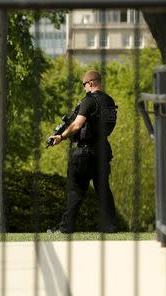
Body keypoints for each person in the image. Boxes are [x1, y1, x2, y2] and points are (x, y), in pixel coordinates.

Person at [49, 70, 118, 233]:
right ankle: (111, 226)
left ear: (91, 83)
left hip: (85, 152)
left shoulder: (88, 101)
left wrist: (61, 136)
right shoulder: (109, 101)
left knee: (76, 190)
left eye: (84, 85)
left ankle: (66, 228)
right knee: (103, 190)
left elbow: (77, 125)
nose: (84, 89)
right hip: (102, 150)